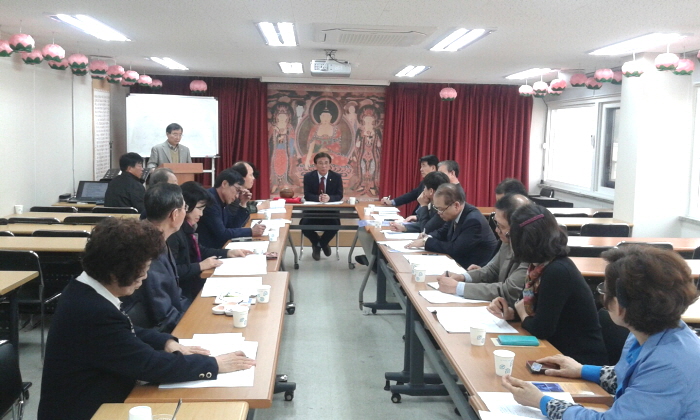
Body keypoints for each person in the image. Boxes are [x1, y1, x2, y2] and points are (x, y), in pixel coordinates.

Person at [37, 218, 255, 420]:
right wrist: (214, 364)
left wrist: (165, 341)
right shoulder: (93, 310)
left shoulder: (84, 288)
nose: (144, 277)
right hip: (88, 411)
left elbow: (122, 332)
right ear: (116, 272)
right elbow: (149, 365)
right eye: (142, 271)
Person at [502, 246, 700, 420]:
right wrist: (582, 370)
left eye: (606, 289)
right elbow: (631, 376)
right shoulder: (652, 331)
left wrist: (542, 402)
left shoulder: (668, 367)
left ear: (621, 304)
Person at [487, 204, 607, 365]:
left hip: (577, 360)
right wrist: (511, 312)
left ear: (524, 241)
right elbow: (530, 307)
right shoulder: (537, 267)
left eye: (510, 235)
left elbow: (541, 329)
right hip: (555, 349)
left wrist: (521, 313)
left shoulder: (557, 271)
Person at [120, 183, 190, 333]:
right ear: (174, 214)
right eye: (185, 207)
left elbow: (174, 294)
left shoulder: (155, 235)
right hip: (158, 333)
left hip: (173, 317)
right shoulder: (147, 247)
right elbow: (162, 313)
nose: (186, 212)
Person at [437, 194, 530, 304]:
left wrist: (458, 287)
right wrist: (462, 277)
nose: (496, 230)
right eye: (496, 224)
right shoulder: (508, 239)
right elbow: (492, 270)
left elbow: (508, 291)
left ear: (519, 227)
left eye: (502, 226)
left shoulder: (532, 251)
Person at [168, 181, 252, 300]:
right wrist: (200, 266)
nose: (201, 214)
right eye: (199, 208)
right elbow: (172, 271)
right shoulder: (174, 233)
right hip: (183, 293)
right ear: (186, 206)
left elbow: (199, 250)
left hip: (192, 284)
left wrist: (228, 252)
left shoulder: (187, 228)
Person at [406, 183, 497, 269]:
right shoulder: (455, 213)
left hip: (472, 269)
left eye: (441, 209)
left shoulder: (473, 221)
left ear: (456, 205)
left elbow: (455, 249)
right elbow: (442, 232)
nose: (439, 213)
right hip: (458, 263)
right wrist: (426, 237)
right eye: (436, 208)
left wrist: (426, 242)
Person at [197, 169, 266, 249]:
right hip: (210, 251)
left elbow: (232, 226)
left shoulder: (222, 199)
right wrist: (251, 231)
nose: (237, 196)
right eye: (237, 190)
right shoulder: (210, 201)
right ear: (225, 184)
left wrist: (243, 204)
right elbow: (222, 233)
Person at [301, 152, 343, 261]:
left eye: (326, 163)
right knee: (303, 225)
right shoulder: (308, 177)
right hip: (312, 212)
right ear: (315, 165)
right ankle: (321, 243)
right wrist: (318, 198)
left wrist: (329, 198)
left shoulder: (336, 177)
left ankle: (318, 245)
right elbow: (307, 195)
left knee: (335, 225)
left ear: (330, 164)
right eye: (320, 163)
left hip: (330, 212)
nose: (323, 166)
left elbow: (339, 195)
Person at [381, 154, 439, 219]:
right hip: (415, 217)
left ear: (433, 168)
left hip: (423, 220)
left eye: (424, 166)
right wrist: (392, 202)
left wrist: (417, 218)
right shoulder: (423, 183)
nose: (421, 169)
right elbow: (411, 195)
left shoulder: (438, 186)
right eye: (421, 166)